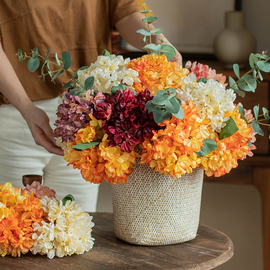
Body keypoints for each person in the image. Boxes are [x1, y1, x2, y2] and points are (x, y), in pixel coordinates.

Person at [0, 0, 182, 211]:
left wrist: (161, 45)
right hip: (17, 113)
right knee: (14, 229)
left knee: (77, 229)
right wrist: (26, 109)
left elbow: (126, 10)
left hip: (87, 118)